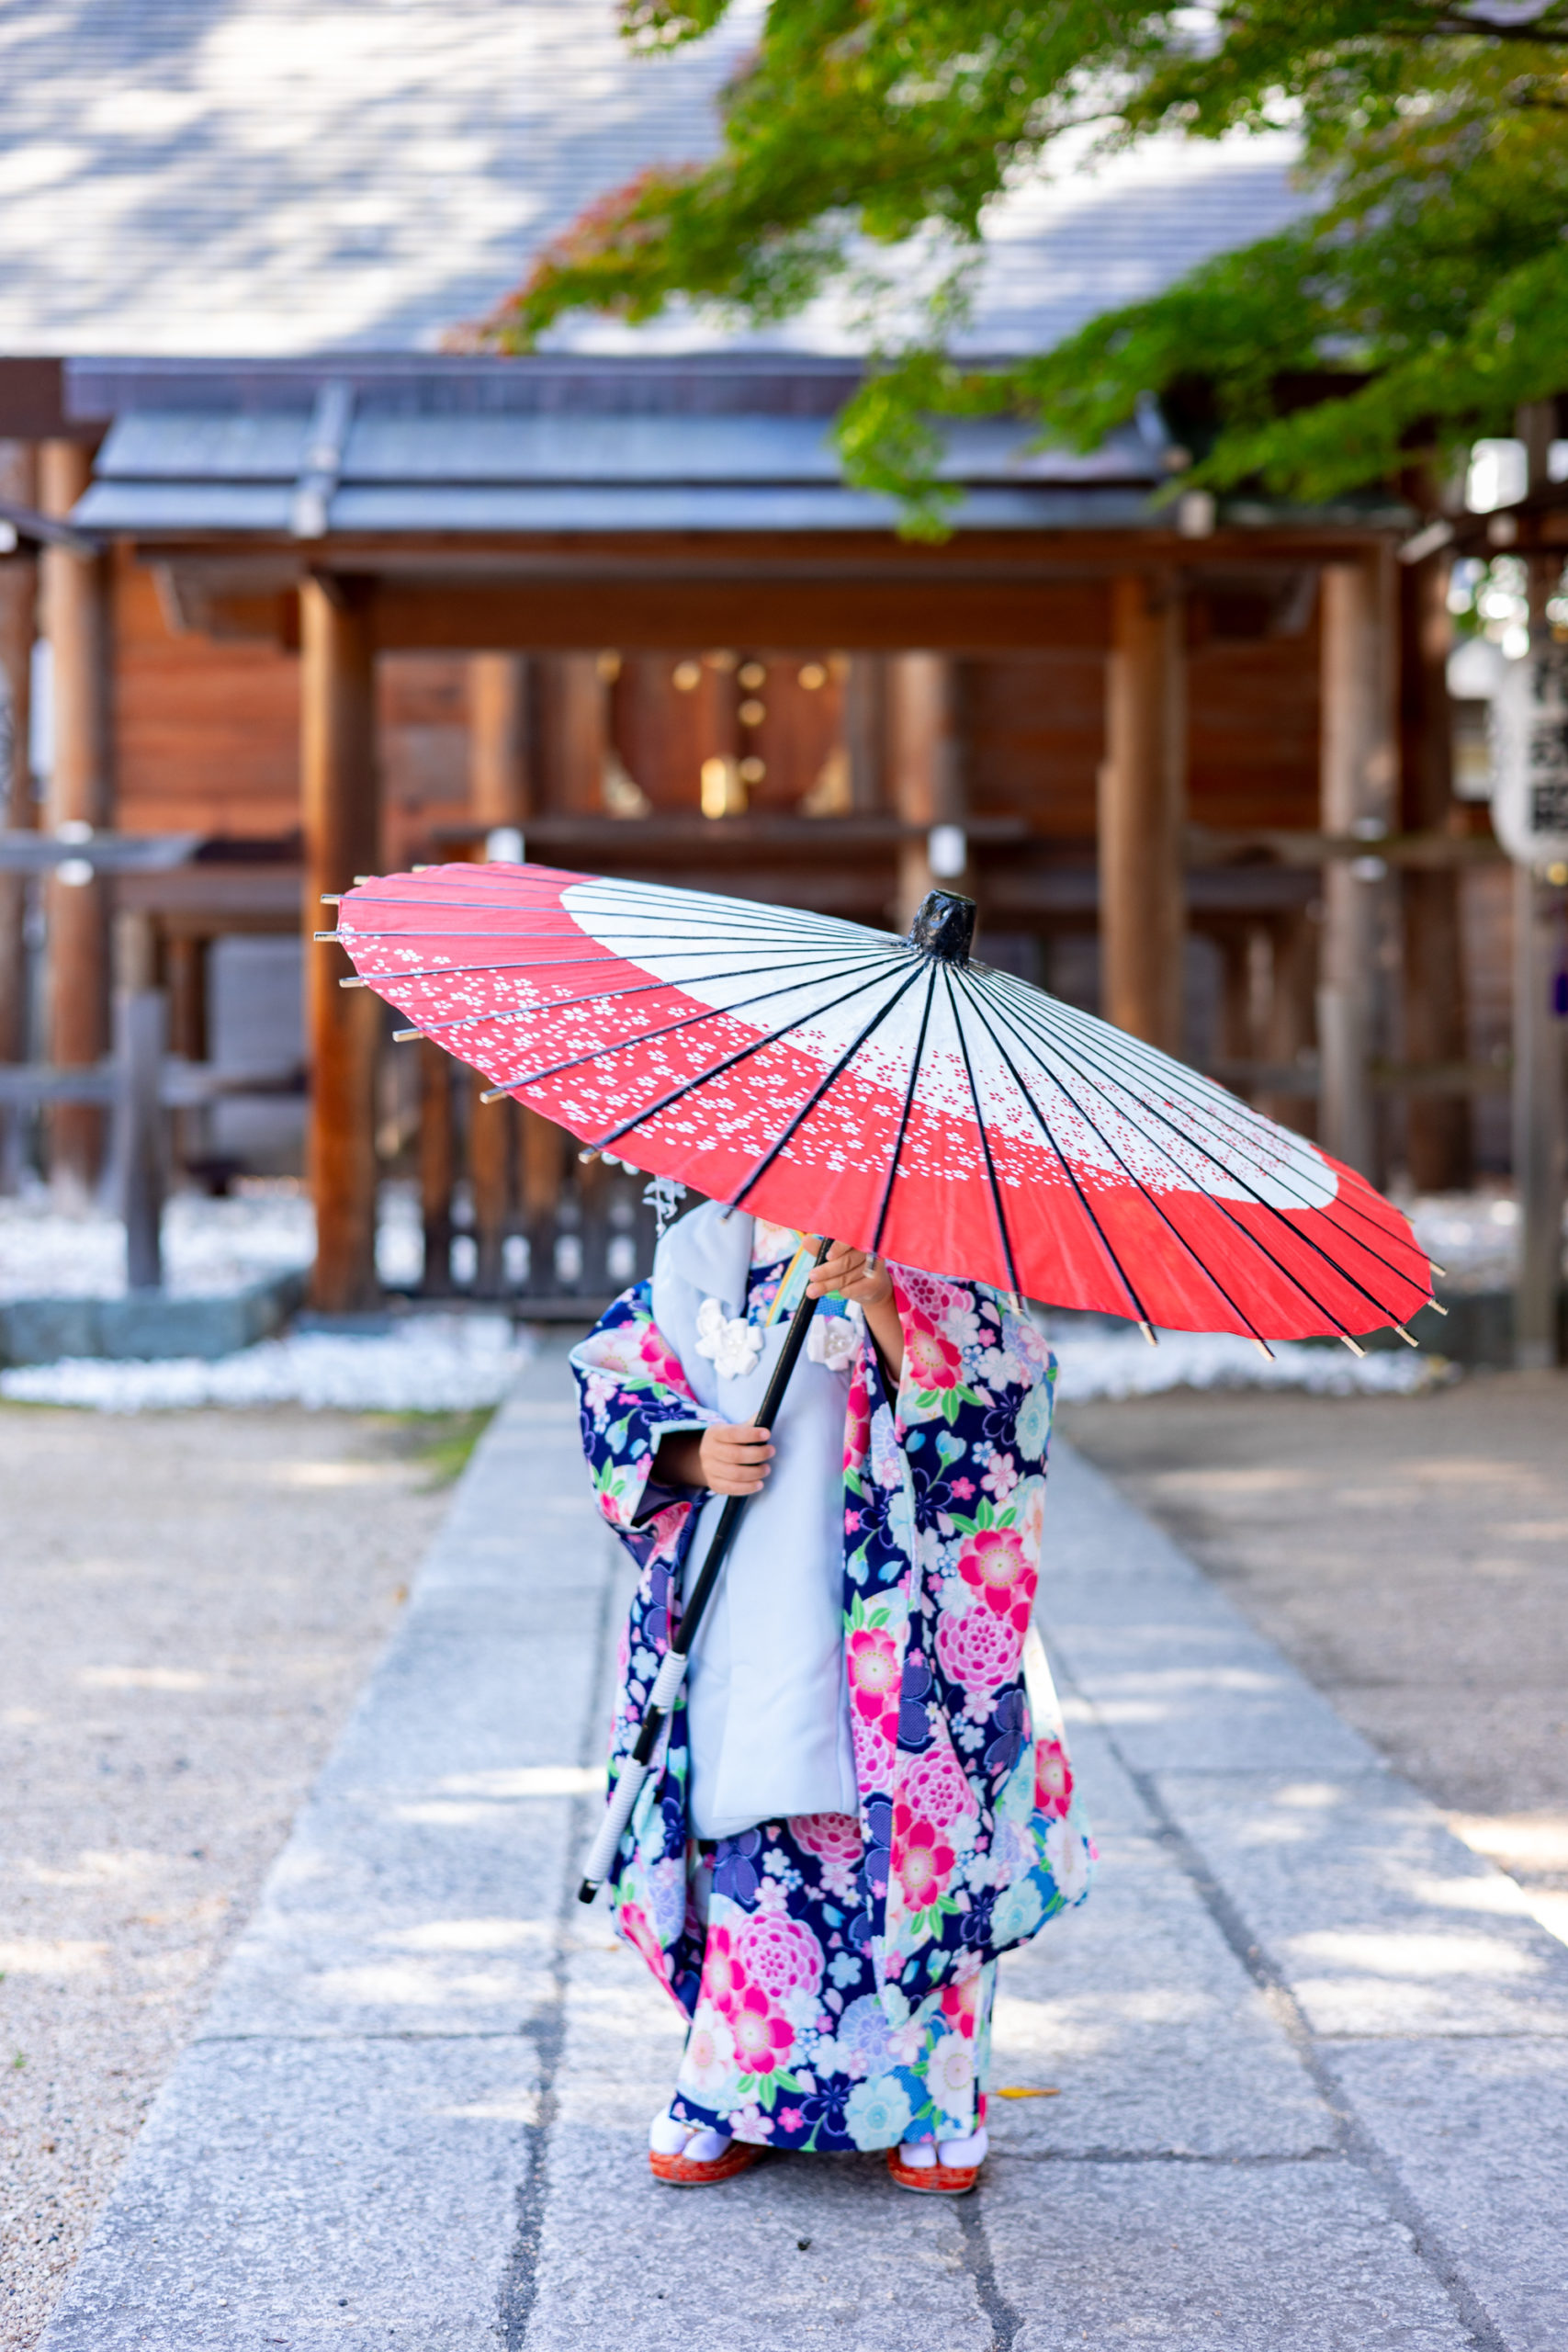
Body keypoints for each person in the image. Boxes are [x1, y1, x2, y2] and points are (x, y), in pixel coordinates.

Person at [570, 1198, 1092, 2192]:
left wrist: (894, 1307)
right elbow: (616, 1381)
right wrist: (688, 1452)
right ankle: (730, 2080)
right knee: (751, 1839)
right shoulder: (704, 1251)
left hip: (898, 1621)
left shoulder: (938, 1242)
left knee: (911, 1842)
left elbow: (1012, 1397)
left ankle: (935, 2093)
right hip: (752, 1607)